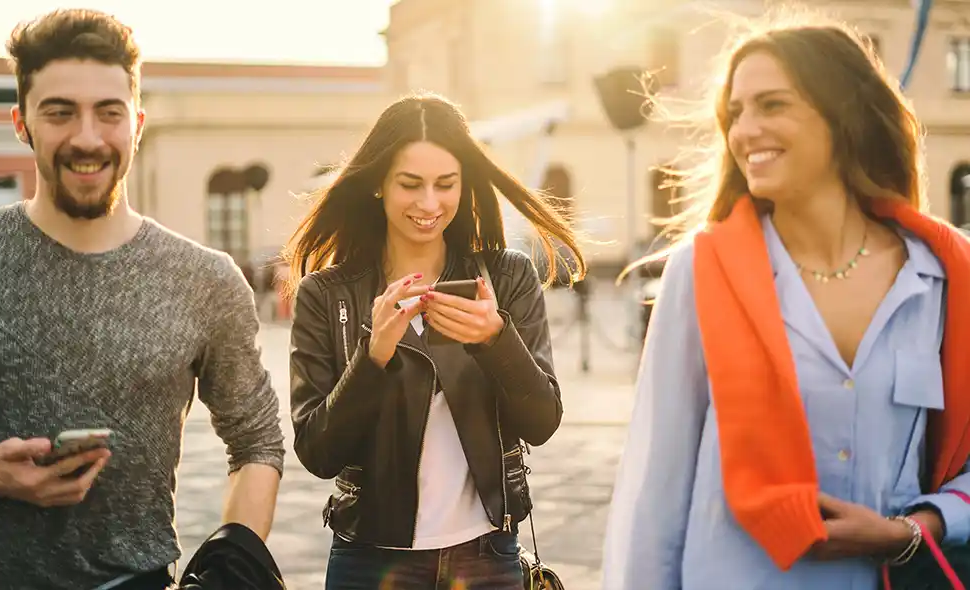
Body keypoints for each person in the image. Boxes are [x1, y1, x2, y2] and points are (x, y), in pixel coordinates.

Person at [602, 14, 970, 590]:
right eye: (736, 112)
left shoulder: (948, 278)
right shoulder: (700, 273)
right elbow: (657, 497)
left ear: (841, 113)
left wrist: (915, 530)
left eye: (772, 105)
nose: (744, 131)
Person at [0, 9, 284, 589]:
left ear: (136, 123)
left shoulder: (205, 280)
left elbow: (258, 439)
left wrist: (230, 571)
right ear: (22, 123)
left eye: (108, 113)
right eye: (60, 112)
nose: (87, 137)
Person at [285, 92, 585, 589]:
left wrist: (496, 339)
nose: (429, 204)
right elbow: (318, 453)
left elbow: (542, 422)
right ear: (379, 184)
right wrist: (371, 356)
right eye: (410, 184)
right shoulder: (327, 295)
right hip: (369, 561)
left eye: (446, 184)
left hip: (489, 556)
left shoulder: (507, 278)